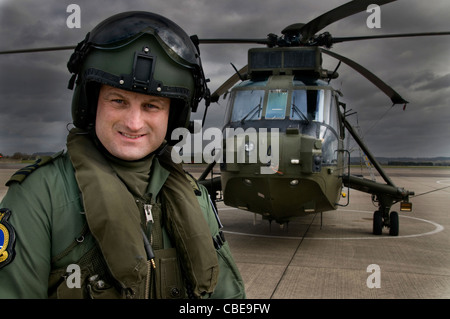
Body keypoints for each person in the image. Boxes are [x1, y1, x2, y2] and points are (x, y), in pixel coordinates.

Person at [0, 11, 245, 299]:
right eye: (118, 100)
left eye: (152, 106)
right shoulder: (40, 197)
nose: (133, 123)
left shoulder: (195, 199)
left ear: (174, 117)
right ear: (91, 104)